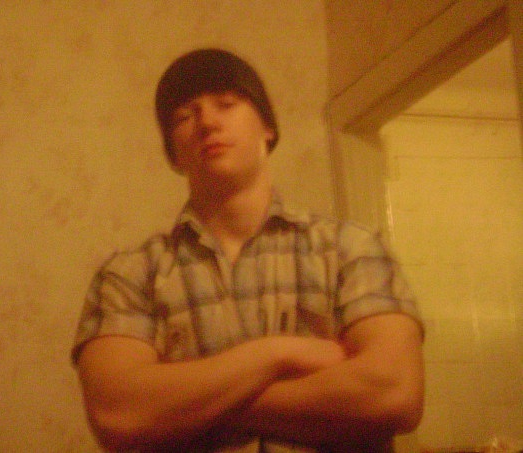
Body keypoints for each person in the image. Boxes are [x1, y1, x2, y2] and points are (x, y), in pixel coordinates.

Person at [71, 48, 424, 452]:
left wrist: (190, 403)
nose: (207, 122)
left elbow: (395, 394)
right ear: (173, 153)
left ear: (268, 128)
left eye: (226, 103)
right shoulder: (130, 274)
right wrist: (280, 353)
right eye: (184, 116)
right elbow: (118, 414)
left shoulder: (351, 248)